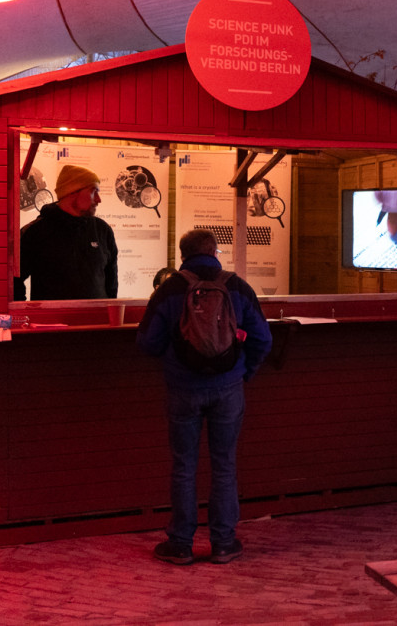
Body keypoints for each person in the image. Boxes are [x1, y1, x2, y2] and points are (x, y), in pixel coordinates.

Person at [136, 228, 273, 565]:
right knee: (224, 465)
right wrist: (244, 370)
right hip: (228, 388)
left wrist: (176, 357)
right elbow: (263, 338)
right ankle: (224, 543)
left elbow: (147, 342)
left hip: (183, 388)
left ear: (183, 255)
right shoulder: (237, 286)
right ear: (215, 252)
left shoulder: (171, 288)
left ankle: (181, 544)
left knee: (184, 465)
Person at [15, 164, 118, 301]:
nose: (99, 199)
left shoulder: (102, 230)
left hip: (97, 320)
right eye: (94, 191)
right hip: (50, 321)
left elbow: (111, 284)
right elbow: (14, 281)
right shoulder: (35, 232)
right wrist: (26, 313)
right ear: (72, 192)